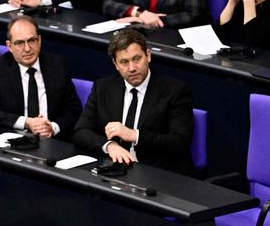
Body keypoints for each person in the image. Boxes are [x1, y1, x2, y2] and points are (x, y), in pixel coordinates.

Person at [72, 28, 193, 175]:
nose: (132, 68)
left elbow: (180, 142)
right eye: (124, 62)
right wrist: (109, 145)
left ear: (148, 55)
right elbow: (80, 131)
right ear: (115, 64)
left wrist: (135, 135)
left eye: (137, 59)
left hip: (158, 172)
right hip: (115, 169)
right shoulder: (103, 88)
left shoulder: (174, 91)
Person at [0, 15, 83, 138]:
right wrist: (26, 122)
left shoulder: (57, 65)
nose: (27, 49)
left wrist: (53, 127)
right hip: (13, 140)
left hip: (52, 142)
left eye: (32, 40)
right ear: (9, 46)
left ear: (39, 40)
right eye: (20, 43)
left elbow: (74, 109)